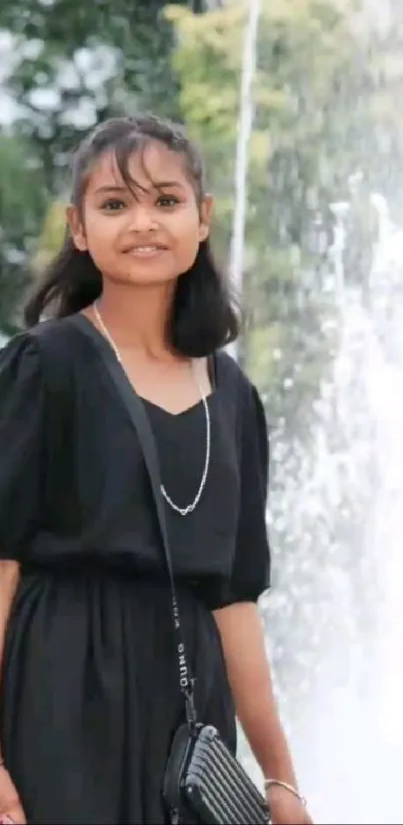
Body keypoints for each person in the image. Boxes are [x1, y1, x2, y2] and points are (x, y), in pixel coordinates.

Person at [0, 114, 312, 825]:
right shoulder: (45, 366)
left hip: (188, 711)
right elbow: (1, 568)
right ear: (78, 228)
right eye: (114, 204)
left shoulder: (233, 397)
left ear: (201, 219)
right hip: (63, 683)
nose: (143, 222)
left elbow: (234, 602)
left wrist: (280, 779)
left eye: (165, 201)